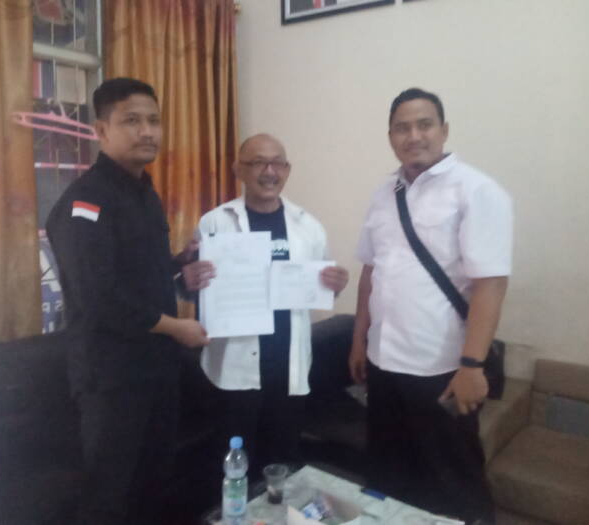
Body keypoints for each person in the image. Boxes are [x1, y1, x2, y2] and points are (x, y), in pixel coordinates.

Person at [46, 77, 209, 525]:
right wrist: (177, 327)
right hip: (112, 379)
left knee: (152, 486)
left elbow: (138, 273)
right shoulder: (85, 202)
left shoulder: (145, 193)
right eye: (132, 121)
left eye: (154, 121)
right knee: (109, 498)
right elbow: (100, 297)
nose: (147, 132)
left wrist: (180, 265)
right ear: (101, 130)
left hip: (158, 369)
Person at [349, 88, 512, 524]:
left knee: (454, 485)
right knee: (389, 476)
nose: (414, 136)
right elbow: (370, 272)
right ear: (390, 137)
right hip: (384, 363)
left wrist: (472, 366)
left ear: (444, 130)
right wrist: (359, 340)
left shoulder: (476, 191)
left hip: (442, 369)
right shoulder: (384, 193)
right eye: (402, 128)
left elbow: (491, 284)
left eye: (424, 125)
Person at [182, 133, 349, 475]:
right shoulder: (215, 222)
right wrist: (189, 280)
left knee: (283, 464)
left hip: (288, 369)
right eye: (258, 162)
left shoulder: (309, 227)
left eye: (277, 163)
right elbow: (197, 291)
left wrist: (336, 285)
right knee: (234, 468)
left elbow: (319, 289)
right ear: (239, 170)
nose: (269, 171)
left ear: (287, 170)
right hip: (234, 369)